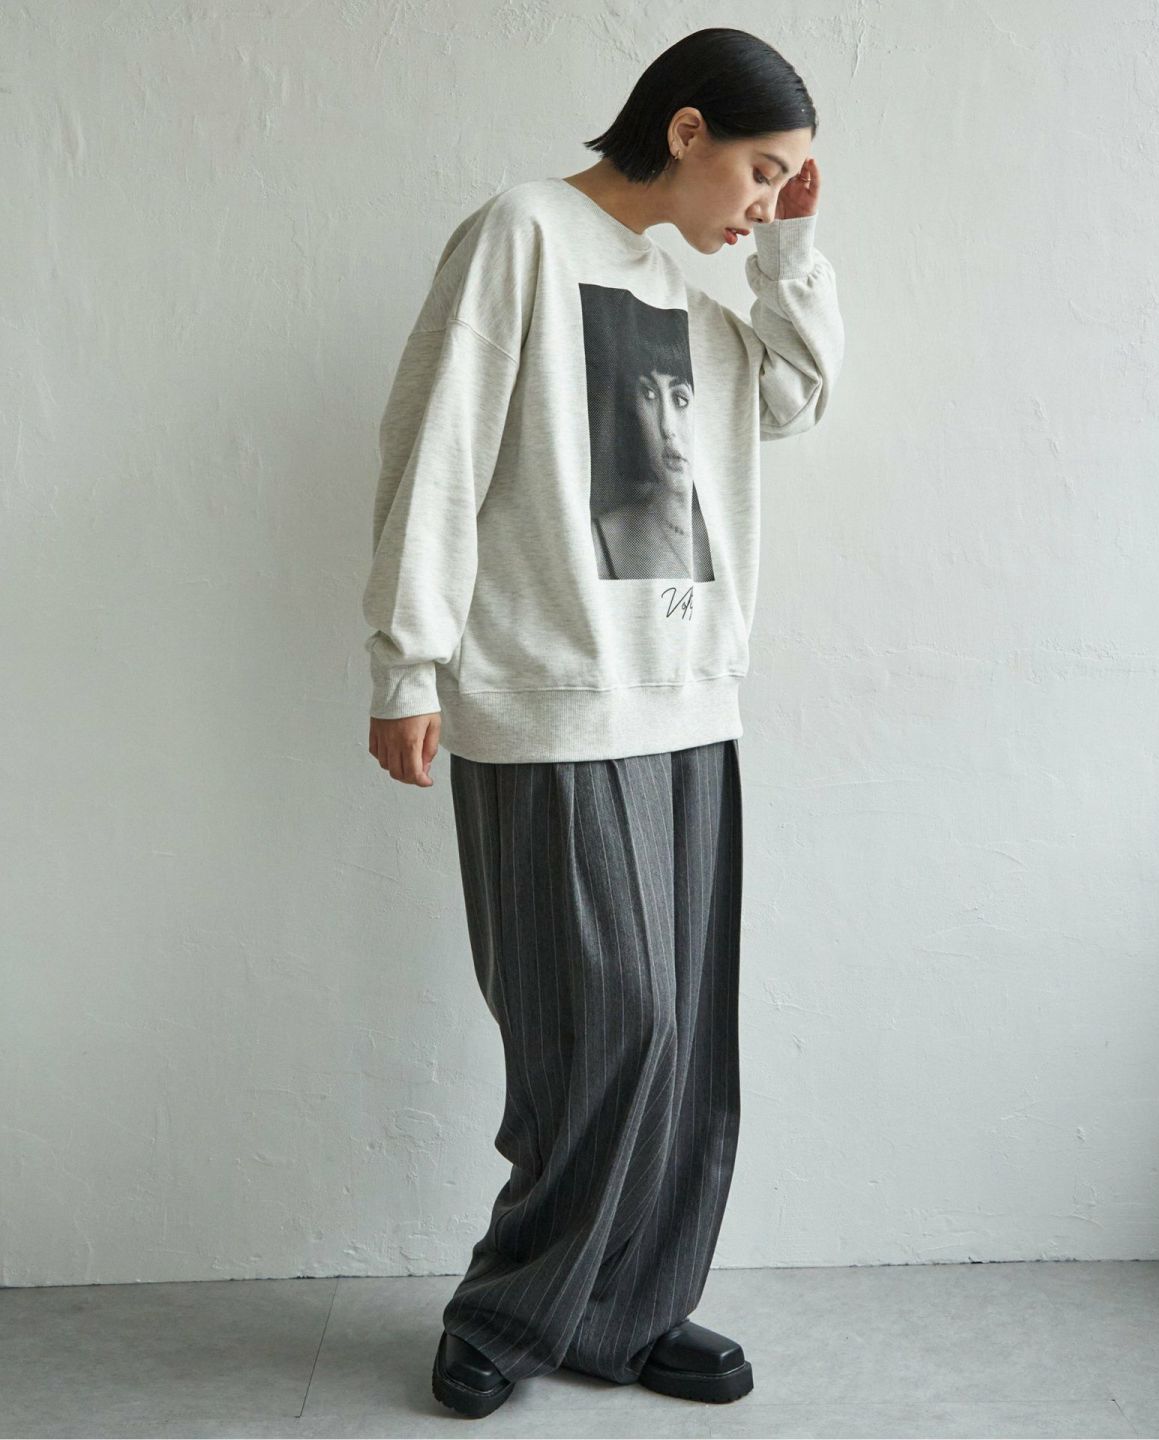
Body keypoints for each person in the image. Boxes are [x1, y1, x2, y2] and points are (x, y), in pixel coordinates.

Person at [361, 25, 844, 1420]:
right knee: (603, 1030)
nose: (764, 199)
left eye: (786, 181)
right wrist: (407, 663)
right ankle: (512, 1309)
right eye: (762, 171)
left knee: (683, 1046)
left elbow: (797, 395)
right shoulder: (522, 233)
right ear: (686, 130)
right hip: (552, 698)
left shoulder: (683, 289)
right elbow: (438, 442)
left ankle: (631, 1312)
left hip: (688, 700)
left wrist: (787, 248)